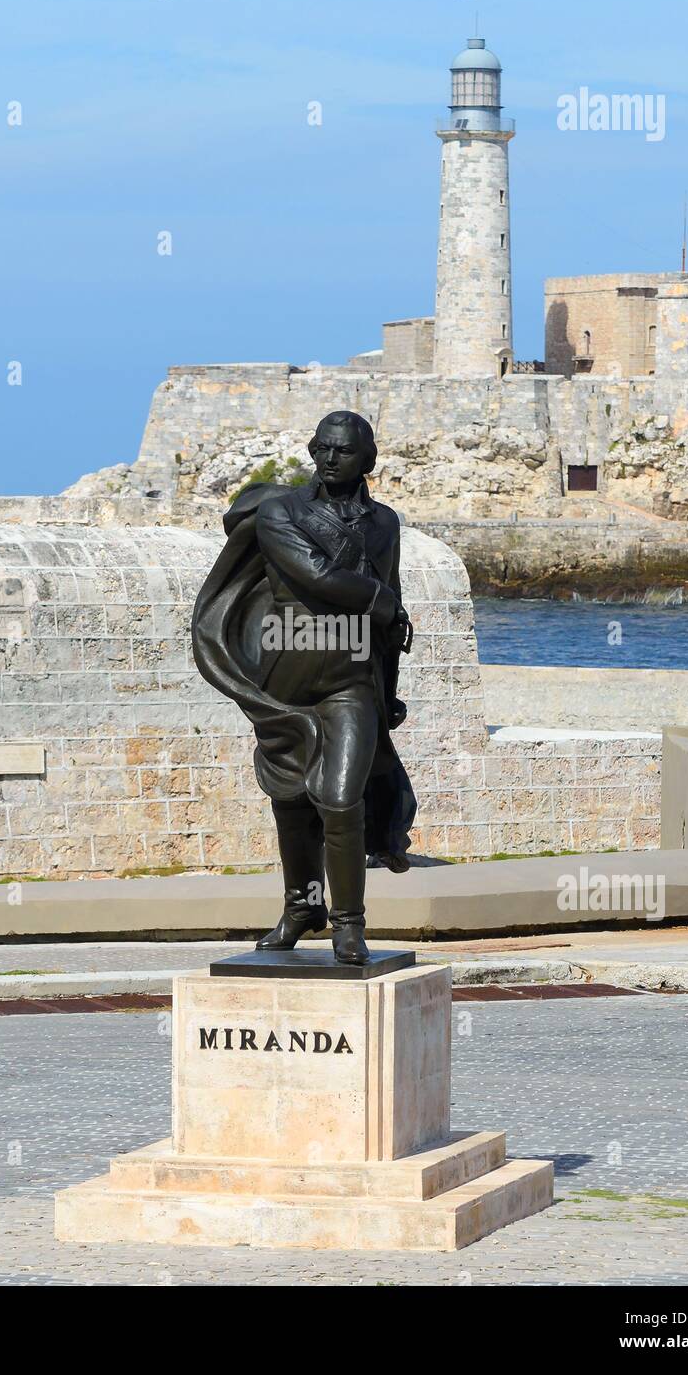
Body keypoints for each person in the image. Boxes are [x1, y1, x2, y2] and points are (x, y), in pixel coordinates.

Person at [191, 410, 416, 965]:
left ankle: (348, 924)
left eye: (342, 450)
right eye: (321, 448)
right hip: (285, 677)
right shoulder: (280, 511)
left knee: (341, 800)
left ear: (368, 459)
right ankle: (301, 909)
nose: (329, 457)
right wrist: (379, 600)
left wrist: (388, 694)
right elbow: (315, 574)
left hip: (350, 679)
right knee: (290, 799)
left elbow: (390, 627)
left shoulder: (385, 524)